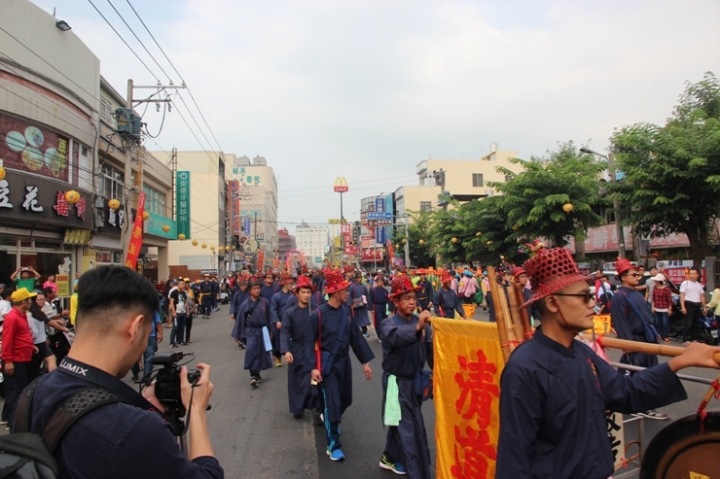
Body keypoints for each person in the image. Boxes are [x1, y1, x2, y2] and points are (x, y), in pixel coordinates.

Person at [496, 247, 720, 479]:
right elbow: (514, 456)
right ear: (552, 303)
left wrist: (680, 362)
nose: (592, 304)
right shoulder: (525, 368)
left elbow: (625, 392)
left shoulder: (583, 353)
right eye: (583, 297)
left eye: (591, 296)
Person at [20, 265, 223, 478]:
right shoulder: (134, 429)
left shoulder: (31, 394)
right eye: (146, 336)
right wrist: (196, 408)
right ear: (136, 327)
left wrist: (139, 402)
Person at [308, 269, 374, 462]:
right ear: (335, 292)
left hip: (344, 363)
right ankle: (333, 444)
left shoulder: (346, 313)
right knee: (333, 404)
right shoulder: (318, 315)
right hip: (327, 366)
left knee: (345, 399)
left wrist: (365, 362)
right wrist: (313, 367)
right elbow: (308, 343)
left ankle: (330, 418)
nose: (348, 293)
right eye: (345, 290)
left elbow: (356, 338)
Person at [378, 276, 433, 478]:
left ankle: (389, 457)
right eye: (406, 298)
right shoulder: (387, 324)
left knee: (408, 424)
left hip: (415, 383)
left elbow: (432, 355)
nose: (412, 302)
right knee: (410, 431)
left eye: (413, 297)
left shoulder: (425, 326)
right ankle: (417, 473)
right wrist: (418, 327)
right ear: (395, 301)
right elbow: (398, 338)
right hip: (397, 384)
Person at [281, 276, 317, 419]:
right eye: (303, 292)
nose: (306, 295)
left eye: (308, 292)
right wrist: (287, 350)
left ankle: (318, 409)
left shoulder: (317, 311)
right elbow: (285, 332)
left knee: (315, 380)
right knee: (297, 380)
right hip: (296, 349)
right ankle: (298, 407)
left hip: (313, 350)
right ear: (297, 294)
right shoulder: (289, 313)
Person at [1, 288, 38, 425]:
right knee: (15, 392)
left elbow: (19, 337)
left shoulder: (21, 315)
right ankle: (13, 421)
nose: (31, 302)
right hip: (15, 360)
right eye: (29, 300)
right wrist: (8, 361)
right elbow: (7, 340)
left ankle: (8, 417)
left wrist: (30, 346)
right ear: (23, 302)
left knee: (18, 390)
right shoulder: (12, 317)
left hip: (22, 358)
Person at [232, 276, 273, 388]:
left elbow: (269, 317)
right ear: (250, 290)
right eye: (254, 289)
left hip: (263, 330)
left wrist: (271, 330)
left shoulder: (265, 302)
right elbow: (240, 319)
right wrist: (237, 335)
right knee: (251, 351)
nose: (257, 290)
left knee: (261, 352)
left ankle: (257, 373)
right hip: (251, 330)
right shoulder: (245, 304)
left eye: (258, 288)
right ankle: (253, 375)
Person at [270, 274, 294, 368]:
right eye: (290, 283)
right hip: (280, 321)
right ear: (284, 284)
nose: (291, 285)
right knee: (277, 341)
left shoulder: (293, 296)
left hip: (290, 321)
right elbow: (273, 309)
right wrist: (276, 321)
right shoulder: (276, 296)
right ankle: (278, 357)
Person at [680, 267, 706, 344]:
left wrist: (704, 307)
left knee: (695, 323)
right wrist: (683, 306)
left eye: (694, 274)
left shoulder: (699, 285)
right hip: (689, 304)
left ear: (697, 275)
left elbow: (702, 296)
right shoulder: (685, 283)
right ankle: (685, 339)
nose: (692, 275)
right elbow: (682, 295)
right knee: (688, 323)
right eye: (690, 274)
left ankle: (693, 338)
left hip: (697, 304)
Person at [345, 267, 371, 337]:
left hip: (363, 305)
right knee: (355, 319)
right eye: (358, 278)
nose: (359, 279)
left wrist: (368, 303)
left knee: (364, 319)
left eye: (360, 278)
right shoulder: (352, 287)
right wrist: (350, 304)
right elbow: (350, 296)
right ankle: (356, 332)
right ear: (356, 279)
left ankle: (364, 331)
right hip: (355, 305)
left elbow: (367, 295)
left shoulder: (364, 287)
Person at [651, 273, 673, 343]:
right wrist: (653, 306)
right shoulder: (655, 287)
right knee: (658, 322)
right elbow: (653, 298)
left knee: (665, 323)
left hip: (664, 308)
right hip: (657, 307)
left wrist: (669, 309)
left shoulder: (667, 289)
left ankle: (665, 336)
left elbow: (669, 300)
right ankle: (659, 334)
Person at [229, 277, 250, 348]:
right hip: (238, 312)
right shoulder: (237, 294)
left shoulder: (249, 293)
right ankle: (240, 340)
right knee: (239, 326)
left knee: (247, 326)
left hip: (247, 312)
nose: (243, 287)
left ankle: (246, 339)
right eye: (241, 285)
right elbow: (233, 304)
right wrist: (232, 312)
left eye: (244, 285)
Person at [169, 279, 189, 348]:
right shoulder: (174, 292)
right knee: (175, 327)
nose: (184, 285)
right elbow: (171, 303)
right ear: (178, 284)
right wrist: (173, 312)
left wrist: (187, 311)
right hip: (177, 312)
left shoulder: (183, 293)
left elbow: (185, 302)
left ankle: (180, 340)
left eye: (184, 284)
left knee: (182, 327)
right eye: (182, 284)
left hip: (183, 312)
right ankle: (171, 342)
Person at [368, 275, 389, 340]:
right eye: (379, 281)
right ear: (376, 282)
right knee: (379, 320)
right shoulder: (373, 290)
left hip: (384, 306)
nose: (380, 282)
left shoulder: (385, 291)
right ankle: (379, 334)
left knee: (384, 320)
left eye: (381, 281)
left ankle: (383, 333)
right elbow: (370, 299)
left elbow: (388, 299)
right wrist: (371, 309)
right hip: (377, 306)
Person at [184, 277, 198, 344]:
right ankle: (179, 339)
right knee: (181, 326)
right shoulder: (182, 291)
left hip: (190, 310)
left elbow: (192, 300)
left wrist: (194, 309)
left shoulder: (190, 291)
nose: (187, 284)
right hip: (183, 310)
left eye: (188, 283)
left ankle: (188, 338)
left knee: (189, 325)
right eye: (186, 283)